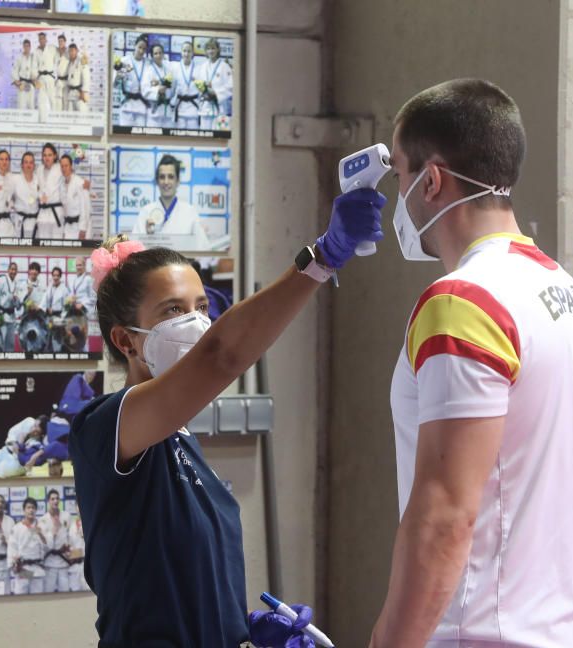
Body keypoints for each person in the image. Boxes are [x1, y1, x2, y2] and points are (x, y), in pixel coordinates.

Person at [68, 145, 383, 642]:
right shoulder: (106, 427)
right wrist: (321, 259)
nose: (194, 322)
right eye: (172, 311)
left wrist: (240, 630)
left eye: (200, 305)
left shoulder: (181, 440)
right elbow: (220, 356)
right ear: (125, 340)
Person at [365, 79, 573, 646]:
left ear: (430, 181)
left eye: (399, 175)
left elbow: (445, 520)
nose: (394, 196)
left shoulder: (462, 303)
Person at [133, 155, 212, 249]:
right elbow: (135, 251)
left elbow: (203, 248)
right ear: (157, 181)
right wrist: (147, 237)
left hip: (182, 263)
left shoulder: (190, 212)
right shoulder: (146, 212)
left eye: (170, 177)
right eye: (162, 177)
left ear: (178, 181)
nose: (166, 182)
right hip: (155, 263)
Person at [7, 496, 48, 595]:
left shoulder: (41, 526)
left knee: (38, 601)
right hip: (23, 569)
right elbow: (12, 548)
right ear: (24, 510)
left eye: (33, 508)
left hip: (37, 568)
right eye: (28, 508)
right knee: (20, 599)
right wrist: (13, 566)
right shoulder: (17, 528)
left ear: (36, 510)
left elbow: (48, 547)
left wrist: (40, 534)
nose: (31, 510)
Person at [193, 37, 233, 130]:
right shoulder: (202, 67)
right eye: (208, 48)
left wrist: (216, 93)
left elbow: (231, 87)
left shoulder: (225, 67)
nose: (211, 51)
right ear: (206, 51)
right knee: (205, 139)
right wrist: (203, 92)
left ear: (218, 49)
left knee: (221, 139)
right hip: (205, 109)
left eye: (213, 48)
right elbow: (198, 86)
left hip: (220, 109)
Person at [37, 489, 73, 593]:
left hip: (63, 562)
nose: (55, 501)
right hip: (49, 563)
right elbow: (44, 545)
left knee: (65, 593)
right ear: (48, 501)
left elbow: (70, 537)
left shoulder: (66, 516)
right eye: (52, 499)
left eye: (57, 498)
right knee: (48, 593)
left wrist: (69, 548)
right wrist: (53, 532)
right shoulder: (43, 520)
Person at [114, 33, 149, 128]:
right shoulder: (124, 61)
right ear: (135, 46)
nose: (141, 51)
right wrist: (121, 73)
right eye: (139, 47)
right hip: (126, 106)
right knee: (124, 138)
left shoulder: (148, 64)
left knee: (140, 140)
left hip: (142, 107)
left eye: (144, 49)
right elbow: (115, 84)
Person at [0, 261, 20, 352]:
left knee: (10, 342)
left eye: (15, 270)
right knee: (1, 340)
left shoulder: (16, 283)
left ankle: (9, 362)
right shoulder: (1, 280)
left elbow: (18, 304)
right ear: (8, 270)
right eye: (12, 269)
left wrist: (16, 301)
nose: (13, 271)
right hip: (2, 315)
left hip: (12, 316)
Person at [10, 151, 41, 238]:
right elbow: (6, 195)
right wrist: (11, 204)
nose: (28, 165)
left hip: (35, 223)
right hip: (20, 221)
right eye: (26, 162)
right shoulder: (15, 180)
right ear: (22, 165)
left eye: (31, 162)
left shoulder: (39, 180)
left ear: (34, 165)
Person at [59, 154, 89, 240]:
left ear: (71, 166)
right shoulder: (61, 184)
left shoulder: (80, 182)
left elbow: (85, 207)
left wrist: (83, 229)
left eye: (66, 166)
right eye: (62, 166)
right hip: (67, 226)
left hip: (78, 227)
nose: (64, 168)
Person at [37, 143, 64, 239]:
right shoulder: (39, 169)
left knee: (57, 247)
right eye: (44, 155)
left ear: (55, 156)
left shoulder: (60, 168)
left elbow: (71, 176)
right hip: (42, 213)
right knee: (42, 245)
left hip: (56, 212)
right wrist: (40, 196)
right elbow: (35, 187)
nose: (47, 158)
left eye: (49, 155)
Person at [171, 40, 200, 129]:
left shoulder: (198, 69)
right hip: (180, 108)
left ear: (192, 53)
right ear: (181, 52)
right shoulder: (174, 67)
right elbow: (172, 88)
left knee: (193, 138)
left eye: (189, 51)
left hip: (193, 108)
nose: (186, 54)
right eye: (184, 51)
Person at [143, 43, 172, 128]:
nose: (158, 55)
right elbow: (144, 90)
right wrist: (157, 90)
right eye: (155, 53)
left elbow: (173, 89)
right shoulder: (148, 71)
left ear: (163, 54)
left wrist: (167, 92)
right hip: (154, 113)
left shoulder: (168, 70)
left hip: (167, 112)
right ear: (152, 56)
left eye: (160, 53)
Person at [32, 32, 57, 122]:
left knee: (52, 100)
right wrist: (35, 79)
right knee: (41, 101)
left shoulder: (52, 48)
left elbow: (58, 59)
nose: (41, 40)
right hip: (41, 78)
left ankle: (54, 121)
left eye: (43, 38)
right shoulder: (36, 51)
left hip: (50, 77)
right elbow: (34, 66)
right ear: (38, 40)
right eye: (40, 39)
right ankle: (42, 121)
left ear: (46, 39)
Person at [63, 43, 90, 113]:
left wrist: (84, 91)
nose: (71, 53)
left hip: (80, 93)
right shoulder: (69, 63)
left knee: (82, 115)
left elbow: (86, 77)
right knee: (71, 116)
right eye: (69, 51)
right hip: (71, 93)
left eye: (72, 50)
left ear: (77, 51)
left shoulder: (81, 61)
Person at [12, 39, 36, 111]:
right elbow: (15, 70)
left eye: (28, 46)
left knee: (31, 105)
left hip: (31, 84)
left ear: (30, 46)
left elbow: (36, 69)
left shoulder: (33, 57)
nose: (26, 48)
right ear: (23, 47)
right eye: (25, 46)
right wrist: (16, 81)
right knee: (21, 105)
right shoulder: (19, 58)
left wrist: (34, 76)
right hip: (22, 83)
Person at [54, 33, 69, 111]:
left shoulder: (69, 51)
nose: (60, 42)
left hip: (66, 81)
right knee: (58, 102)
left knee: (66, 102)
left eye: (62, 41)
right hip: (58, 81)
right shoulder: (56, 52)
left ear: (65, 41)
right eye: (59, 41)